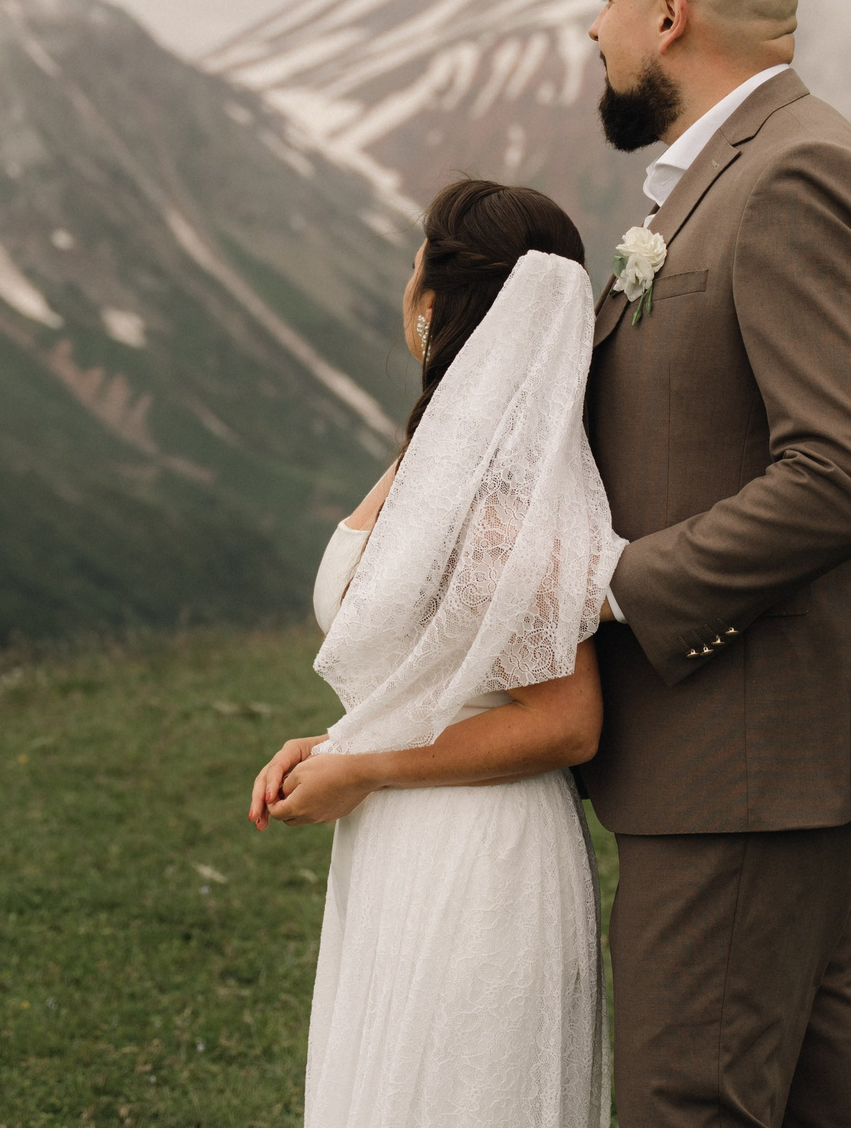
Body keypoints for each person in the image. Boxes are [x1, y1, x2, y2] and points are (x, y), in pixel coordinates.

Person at [582, 0, 851, 1127]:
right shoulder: (727, 173)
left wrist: (621, 581)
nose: (595, 28)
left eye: (608, 3)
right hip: (763, 754)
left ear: (668, 16)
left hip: (736, 750)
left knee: (690, 1100)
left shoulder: (795, 172)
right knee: (826, 1096)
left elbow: (847, 473)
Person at [248, 178, 623, 1128]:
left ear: (436, 297)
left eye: (417, 252)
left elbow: (567, 721)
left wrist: (364, 765)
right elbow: (435, 665)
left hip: (477, 861)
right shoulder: (443, 451)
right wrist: (333, 742)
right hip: (402, 838)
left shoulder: (505, 493)